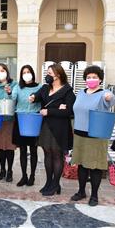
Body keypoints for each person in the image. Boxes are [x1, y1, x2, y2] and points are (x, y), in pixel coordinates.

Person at [70, 65, 115, 206]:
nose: (91, 79)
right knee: (82, 165)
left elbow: (111, 99)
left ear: (100, 79)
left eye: (94, 77)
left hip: (96, 136)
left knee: (95, 167)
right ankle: (81, 191)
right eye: (89, 77)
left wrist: (109, 97)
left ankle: (94, 195)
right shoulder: (81, 93)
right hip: (79, 135)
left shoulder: (104, 93)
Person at [29, 64, 75, 196]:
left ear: (58, 75)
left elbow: (68, 111)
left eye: (50, 73)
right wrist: (32, 97)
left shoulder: (67, 91)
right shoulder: (45, 88)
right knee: (47, 153)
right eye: (47, 73)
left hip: (60, 128)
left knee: (57, 155)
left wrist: (49, 111)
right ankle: (49, 182)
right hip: (46, 126)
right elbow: (36, 96)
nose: (47, 76)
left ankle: (55, 184)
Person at [11, 65, 42, 186]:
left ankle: (32, 176)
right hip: (21, 120)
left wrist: (36, 98)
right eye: (24, 72)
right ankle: (24, 176)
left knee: (33, 150)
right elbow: (12, 98)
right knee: (23, 150)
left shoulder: (39, 87)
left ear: (32, 73)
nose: (26, 74)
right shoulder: (18, 87)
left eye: (28, 72)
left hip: (34, 121)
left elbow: (43, 98)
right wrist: (8, 93)